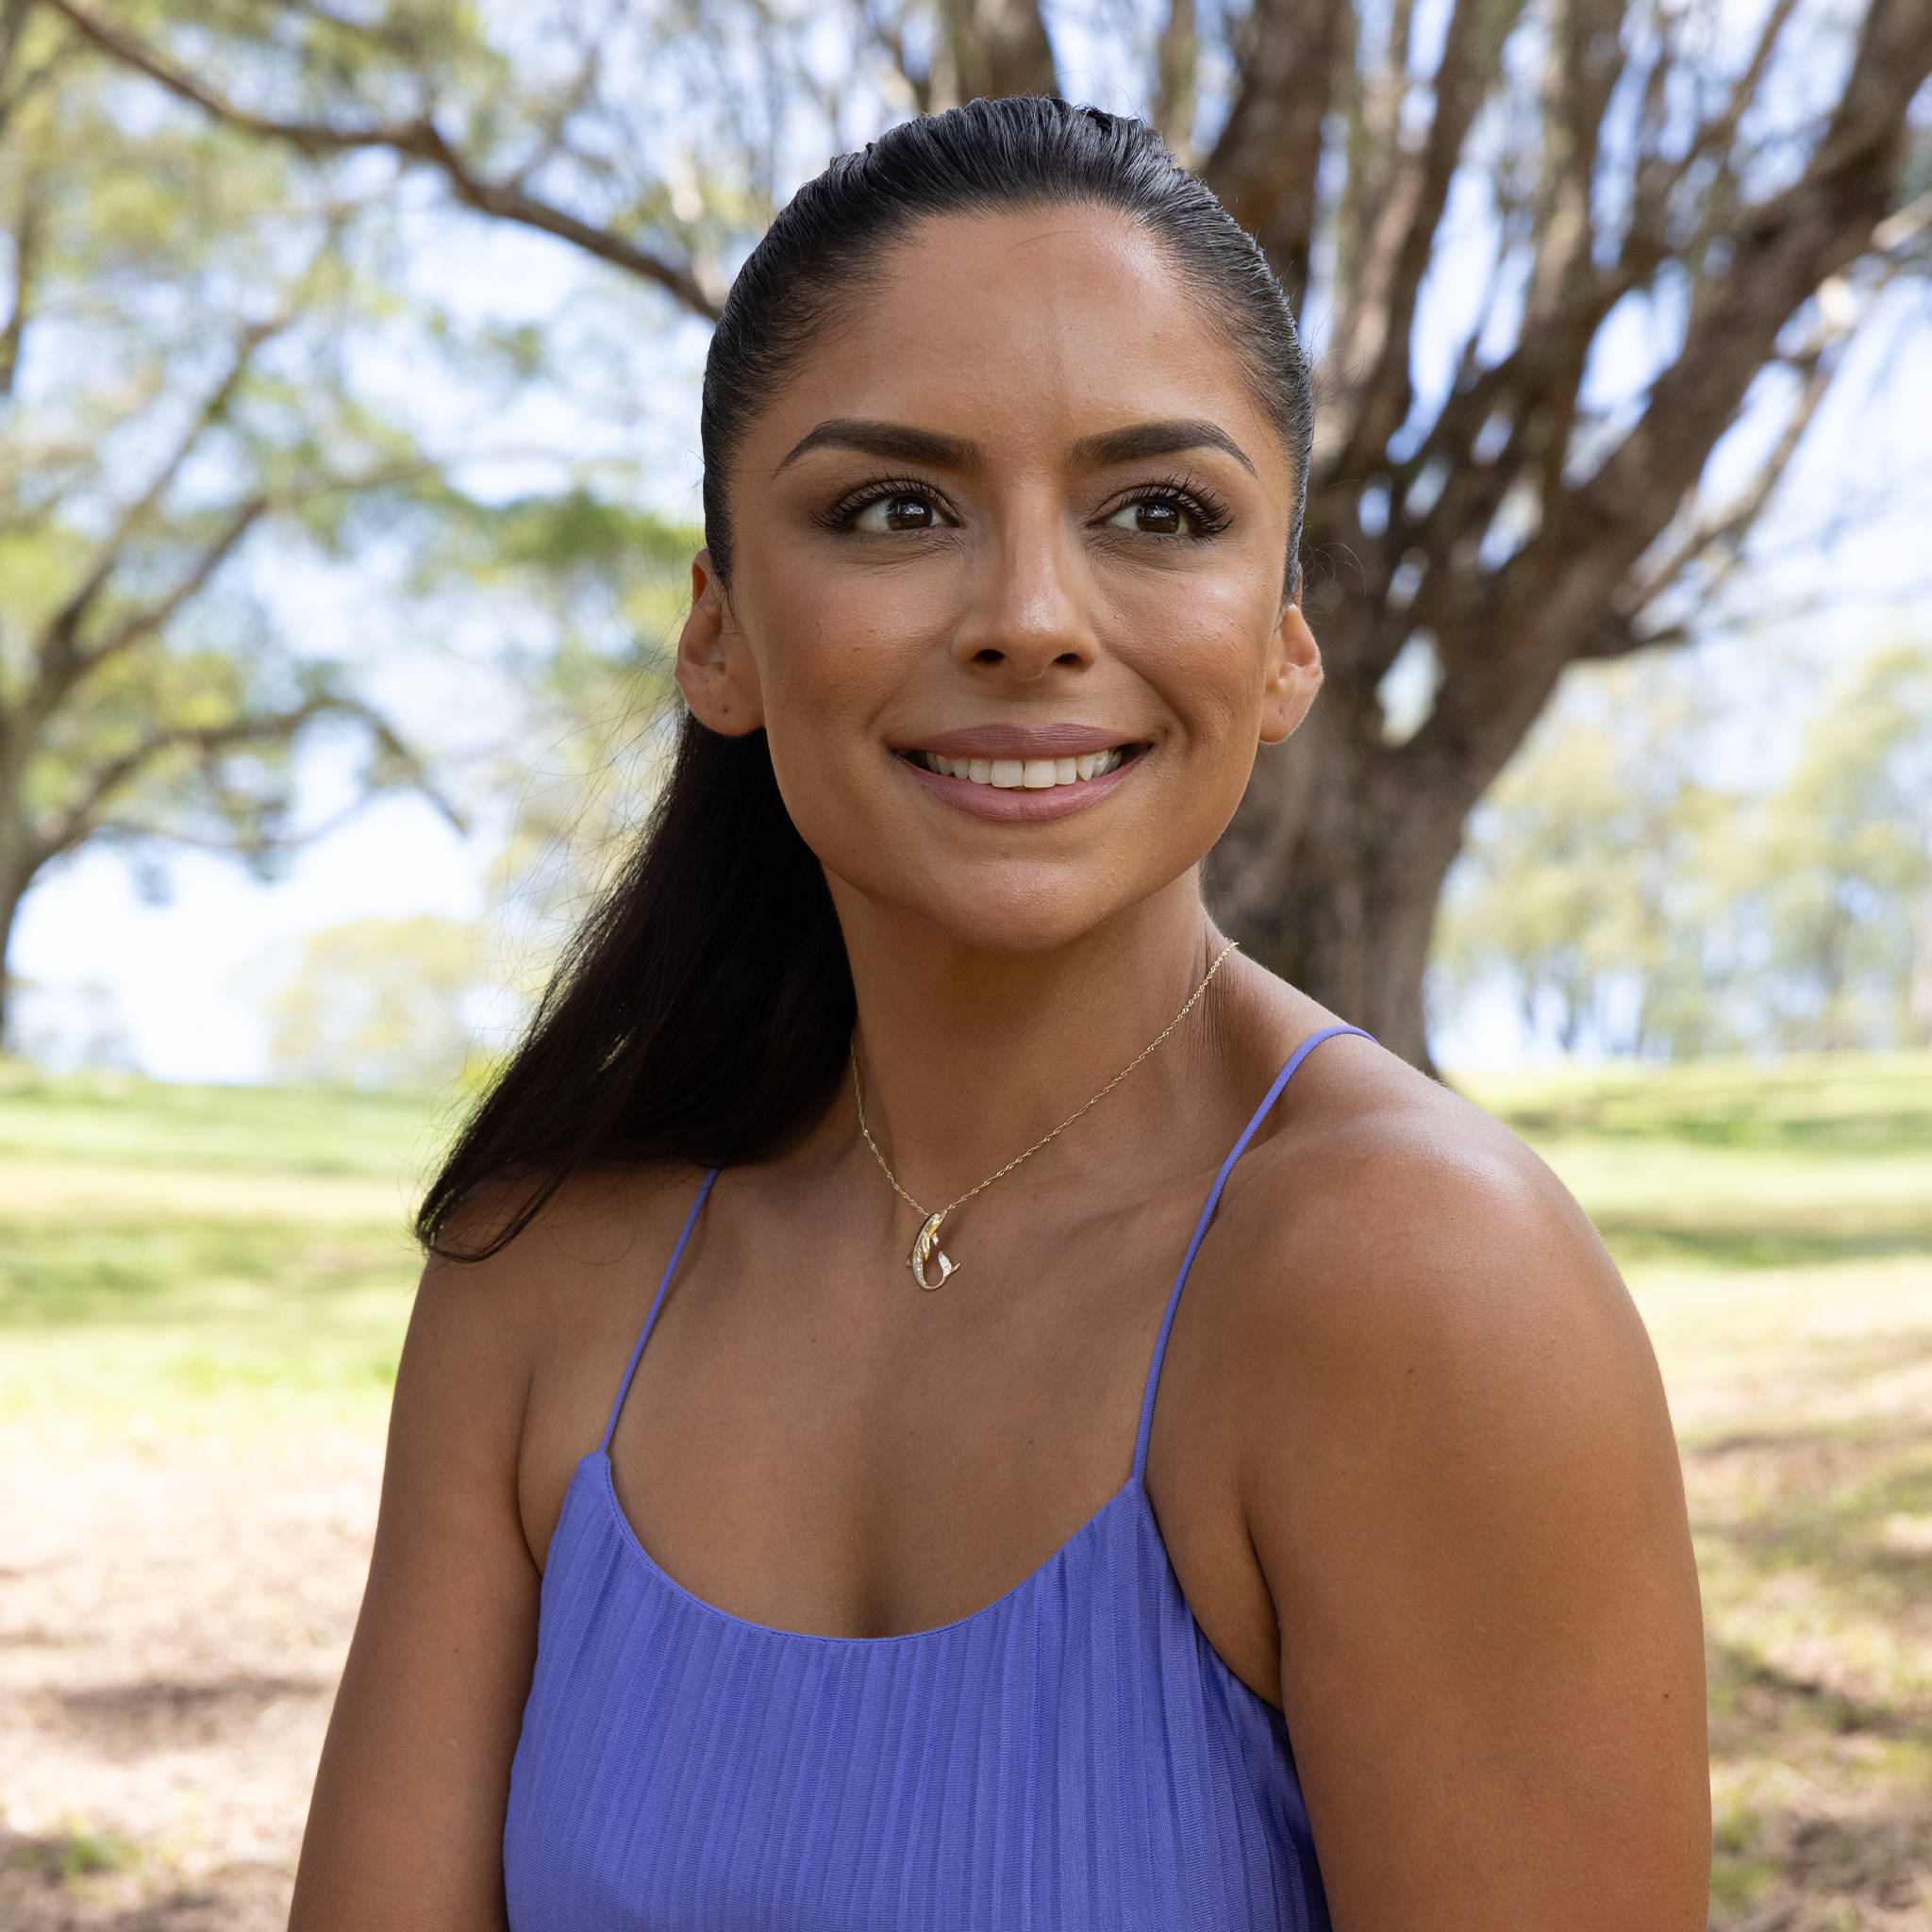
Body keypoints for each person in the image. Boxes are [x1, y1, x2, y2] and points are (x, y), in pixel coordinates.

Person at [290, 97, 1710, 1931]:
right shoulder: (538, 1272)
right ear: (717, 631)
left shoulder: (1423, 1281)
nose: (1030, 615)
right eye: (895, 507)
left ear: (1285, 639)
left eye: (1156, 511)